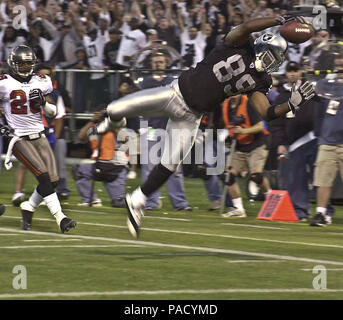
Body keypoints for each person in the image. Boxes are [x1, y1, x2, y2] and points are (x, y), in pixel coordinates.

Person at [92, 15, 316, 238]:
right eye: (271, 56)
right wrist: (279, 19)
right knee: (114, 110)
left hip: (192, 116)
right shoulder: (239, 43)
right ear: (261, 46)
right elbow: (245, 26)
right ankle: (115, 122)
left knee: (171, 163)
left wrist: (290, 104)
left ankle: (138, 199)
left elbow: (266, 112)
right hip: (174, 94)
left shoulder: (261, 81)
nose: (272, 63)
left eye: (276, 59)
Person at [0, 45, 76, 233]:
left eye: (29, 63)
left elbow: (53, 112)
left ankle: (29, 207)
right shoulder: (4, 82)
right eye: (22, 63)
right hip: (17, 137)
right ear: (13, 63)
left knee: (53, 180)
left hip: (39, 133)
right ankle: (61, 217)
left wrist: (43, 102)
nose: (26, 67)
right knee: (42, 175)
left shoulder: (42, 81)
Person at [140, 52, 191, 211]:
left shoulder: (172, 81)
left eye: (161, 62)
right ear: (151, 64)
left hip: (171, 128)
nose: (158, 64)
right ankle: (150, 202)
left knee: (174, 169)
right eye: (155, 62)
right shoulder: (145, 82)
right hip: (151, 128)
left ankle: (180, 203)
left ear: (166, 63)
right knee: (150, 168)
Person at [221, 94, 271, 218]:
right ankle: (239, 209)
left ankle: (270, 197)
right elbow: (227, 126)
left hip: (257, 144)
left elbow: (260, 126)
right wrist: (228, 138)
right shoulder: (226, 105)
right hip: (240, 146)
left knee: (256, 175)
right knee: (228, 175)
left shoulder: (249, 102)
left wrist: (243, 131)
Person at [73, 109, 128, 208]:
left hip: (116, 169)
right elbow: (81, 136)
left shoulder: (118, 127)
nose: (102, 116)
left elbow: (125, 138)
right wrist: (92, 121)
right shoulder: (95, 128)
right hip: (99, 166)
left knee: (119, 203)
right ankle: (91, 200)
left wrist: (112, 121)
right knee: (78, 170)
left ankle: (140, 199)